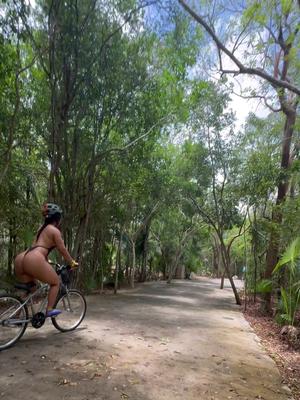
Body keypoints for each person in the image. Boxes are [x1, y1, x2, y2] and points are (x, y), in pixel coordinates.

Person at [14, 203, 78, 317]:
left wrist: (45, 260)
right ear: (58, 218)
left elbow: (36, 246)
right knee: (55, 283)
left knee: (31, 289)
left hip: (22, 258)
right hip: (34, 259)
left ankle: (15, 316)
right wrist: (72, 262)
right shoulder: (54, 231)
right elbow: (62, 249)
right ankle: (49, 310)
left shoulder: (41, 229)